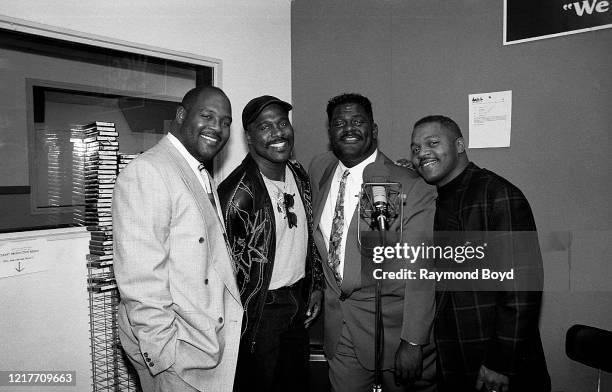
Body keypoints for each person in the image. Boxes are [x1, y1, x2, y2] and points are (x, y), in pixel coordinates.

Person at [113, 86, 243, 392]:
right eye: (207, 115)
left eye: (225, 122)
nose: (218, 128)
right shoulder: (148, 171)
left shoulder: (197, 169)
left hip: (202, 342)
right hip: (176, 354)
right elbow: (140, 279)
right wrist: (165, 356)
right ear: (182, 115)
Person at [410, 115, 551, 392]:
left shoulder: (497, 195)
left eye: (433, 143)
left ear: (460, 145)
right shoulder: (439, 198)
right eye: (415, 149)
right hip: (455, 357)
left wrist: (501, 362)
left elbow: (522, 289)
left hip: (496, 365)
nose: (422, 153)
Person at [309, 93, 437, 392]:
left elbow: (421, 272)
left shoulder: (403, 184)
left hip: (392, 335)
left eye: (358, 121)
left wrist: (413, 341)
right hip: (340, 332)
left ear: (374, 130)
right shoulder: (320, 170)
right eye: (339, 123)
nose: (348, 128)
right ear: (330, 133)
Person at [218, 95, 323, 392]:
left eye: (282, 123)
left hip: (297, 300)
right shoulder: (237, 194)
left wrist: (314, 285)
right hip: (261, 311)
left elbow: (308, 234)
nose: (278, 133)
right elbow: (224, 270)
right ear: (249, 137)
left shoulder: (298, 174)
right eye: (265, 126)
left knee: (296, 382)